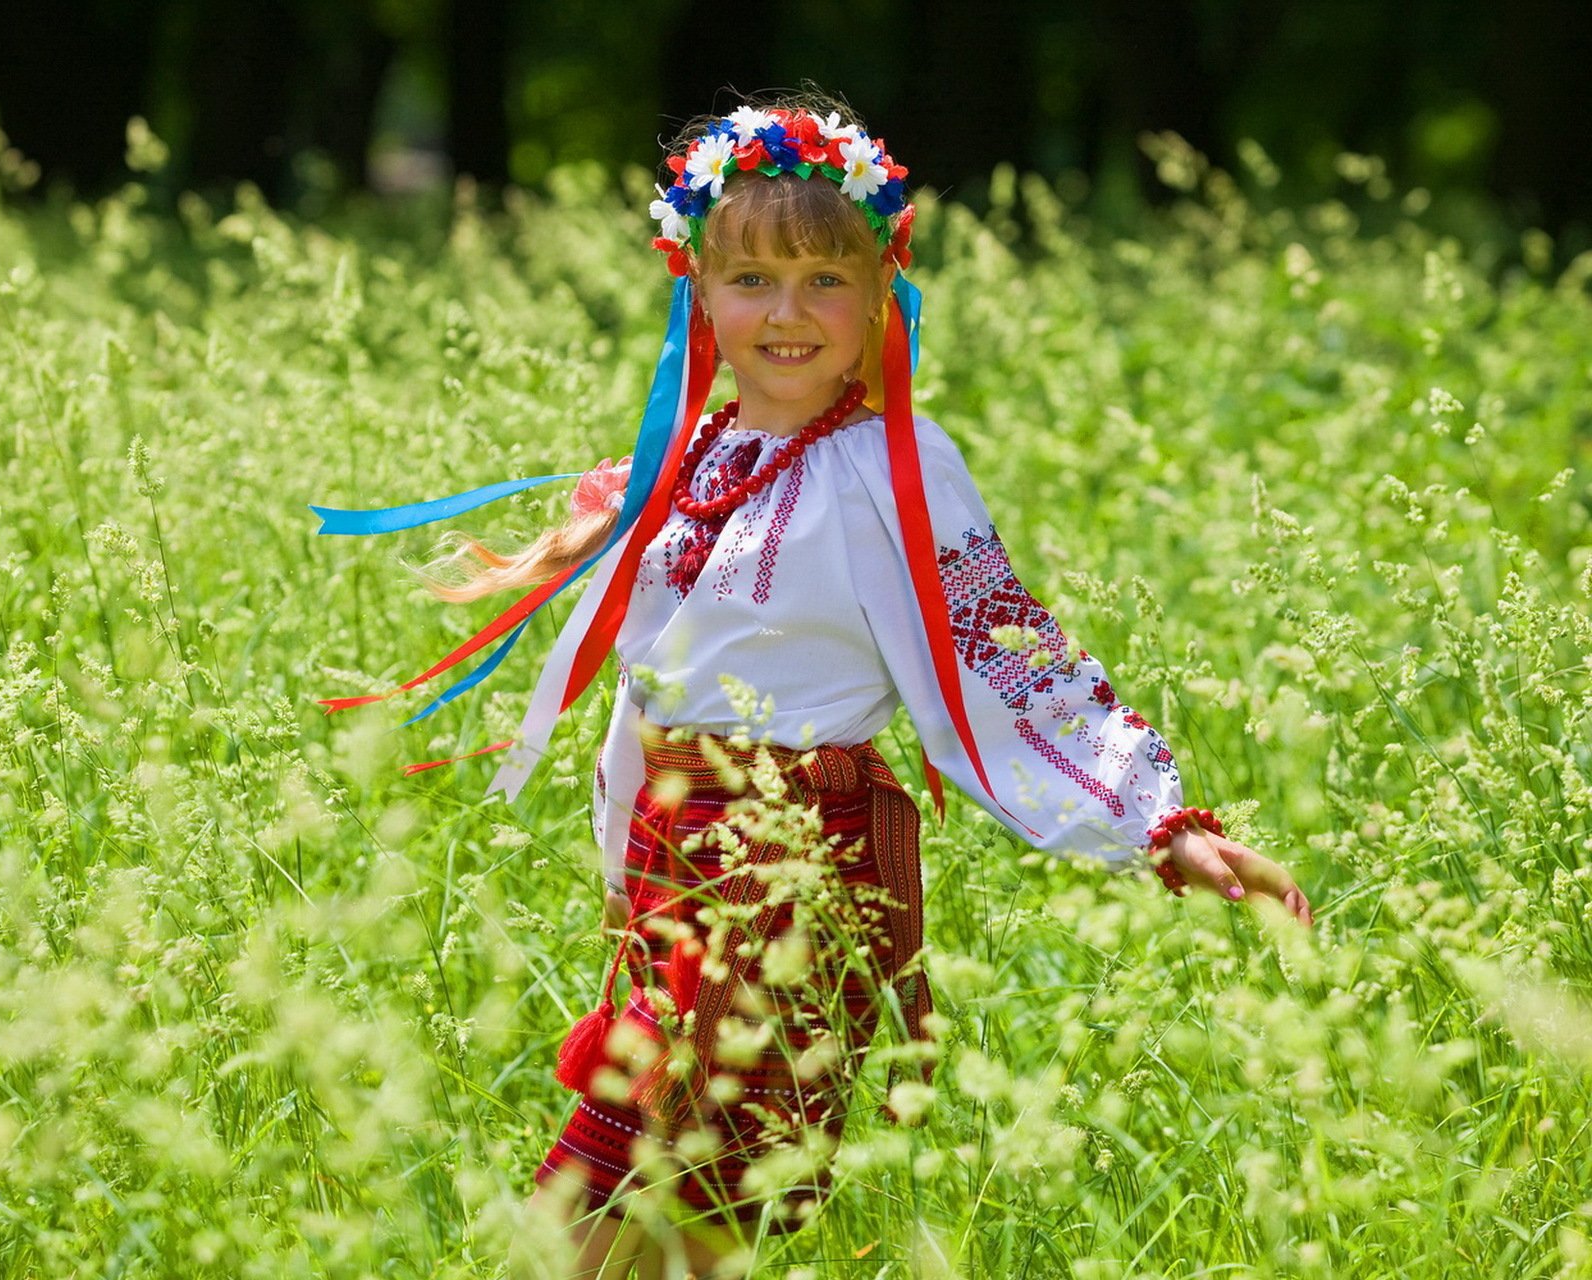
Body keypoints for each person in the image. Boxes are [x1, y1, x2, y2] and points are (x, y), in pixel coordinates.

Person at [310, 90, 1314, 1280]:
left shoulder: (898, 465)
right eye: (751, 282)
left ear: (879, 288)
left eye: (825, 281)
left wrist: (1159, 822)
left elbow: (1012, 650)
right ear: (698, 292)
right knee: (664, 1208)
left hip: (795, 864)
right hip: (671, 860)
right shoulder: (697, 447)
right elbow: (650, 606)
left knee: (636, 1195)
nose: (788, 313)